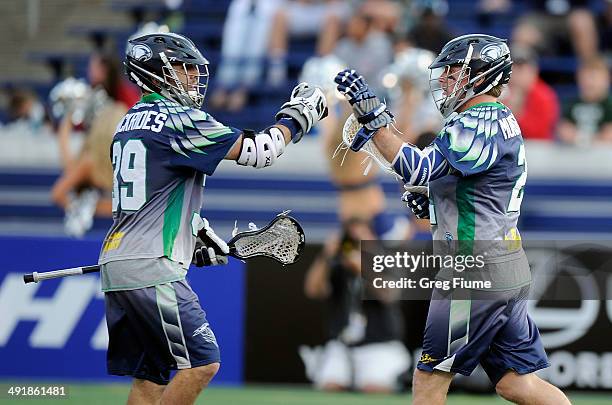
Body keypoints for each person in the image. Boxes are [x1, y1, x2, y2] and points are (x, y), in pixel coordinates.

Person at [334, 34, 571, 404]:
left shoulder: (483, 118)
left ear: (482, 74)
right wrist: (433, 205)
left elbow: (421, 169)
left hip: (474, 267)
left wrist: (374, 118)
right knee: (515, 383)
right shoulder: (490, 119)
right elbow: (466, 188)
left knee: (430, 375)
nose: (445, 79)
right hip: (499, 261)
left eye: (454, 70)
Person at [100, 32, 327, 404]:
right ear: (155, 71)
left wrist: (196, 239)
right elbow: (261, 151)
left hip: (118, 262)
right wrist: (298, 115)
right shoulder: (177, 119)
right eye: (183, 68)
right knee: (202, 363)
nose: (192, 76)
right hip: (151, 267)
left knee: (149, 381)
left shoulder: (127, 124)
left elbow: (156, 197)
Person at [302, 218, 410, 393]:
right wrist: (326, 255)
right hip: (342, 345)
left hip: (379, 344)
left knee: (374, 388)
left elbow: (388, 294)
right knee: (330, 386)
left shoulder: (387, 259)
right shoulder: (337, 266)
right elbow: (313, 290)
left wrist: (362, 265)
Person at [501, 46, 559, 141]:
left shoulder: (544, 96)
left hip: (537, 151)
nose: (515, 75)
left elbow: (538, 134)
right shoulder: (500, 91)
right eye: (512, 69)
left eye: (520, 70)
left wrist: (517, 112)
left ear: (533, 71)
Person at [557, 56, 612, 146]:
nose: (589, 82)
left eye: (593, 77)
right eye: (585, 77)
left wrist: (578, 138)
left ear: (606, 79)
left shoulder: (609, 105)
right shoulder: (571, 103)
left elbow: (609, 136)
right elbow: (564, 131)